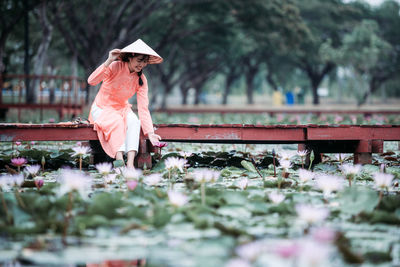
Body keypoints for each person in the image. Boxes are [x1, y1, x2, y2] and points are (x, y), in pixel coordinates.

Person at [87, 39, 162, 168]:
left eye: (145, 62)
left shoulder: (141, 79)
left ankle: (130, 164)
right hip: (102, 108)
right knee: (116, 121)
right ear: (130, 57)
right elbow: (91, 81)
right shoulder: (115, 66)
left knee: (134, 121)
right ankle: (119, 162)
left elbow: (143, 108)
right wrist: (109, 60)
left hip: (122, 108)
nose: (142, 65)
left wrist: (150, 133)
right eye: (139, 60)